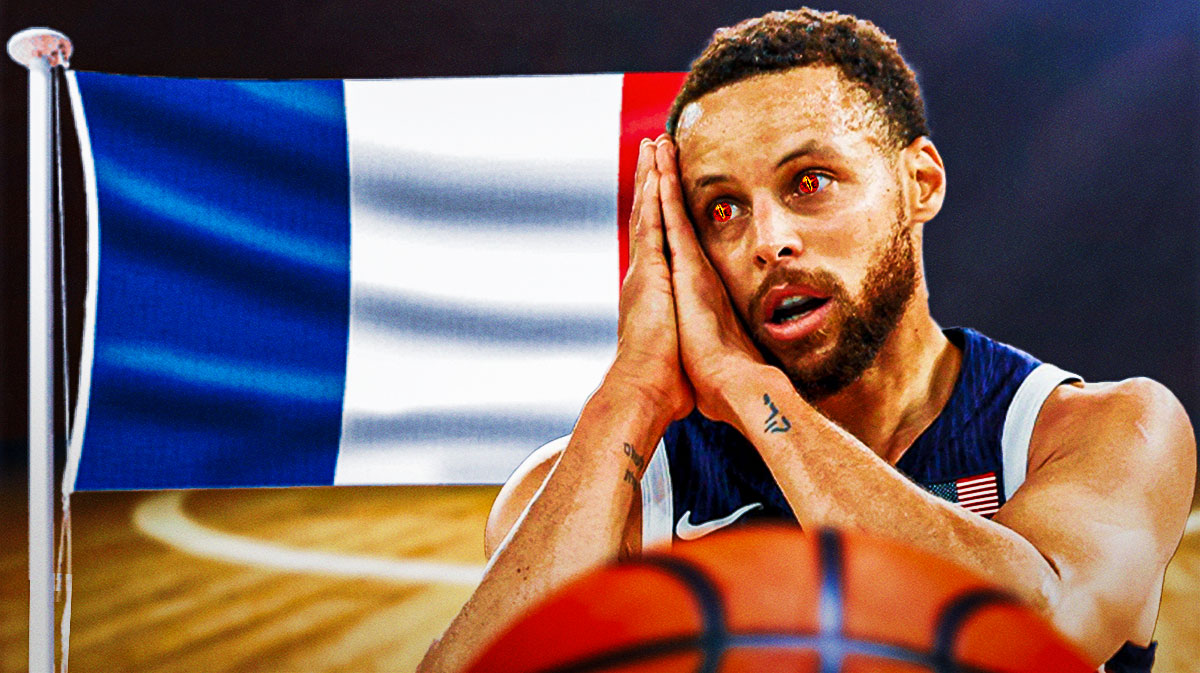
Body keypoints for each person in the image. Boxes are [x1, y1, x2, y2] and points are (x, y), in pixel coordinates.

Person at [418, 8, 1195, 672]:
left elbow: (1030, 642)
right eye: (720, 209)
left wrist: (755, 393)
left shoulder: (1102, 430)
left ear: (918, 183)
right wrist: (630, 397)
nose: (769, 240)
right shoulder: (602, 489)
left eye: (809, 183)